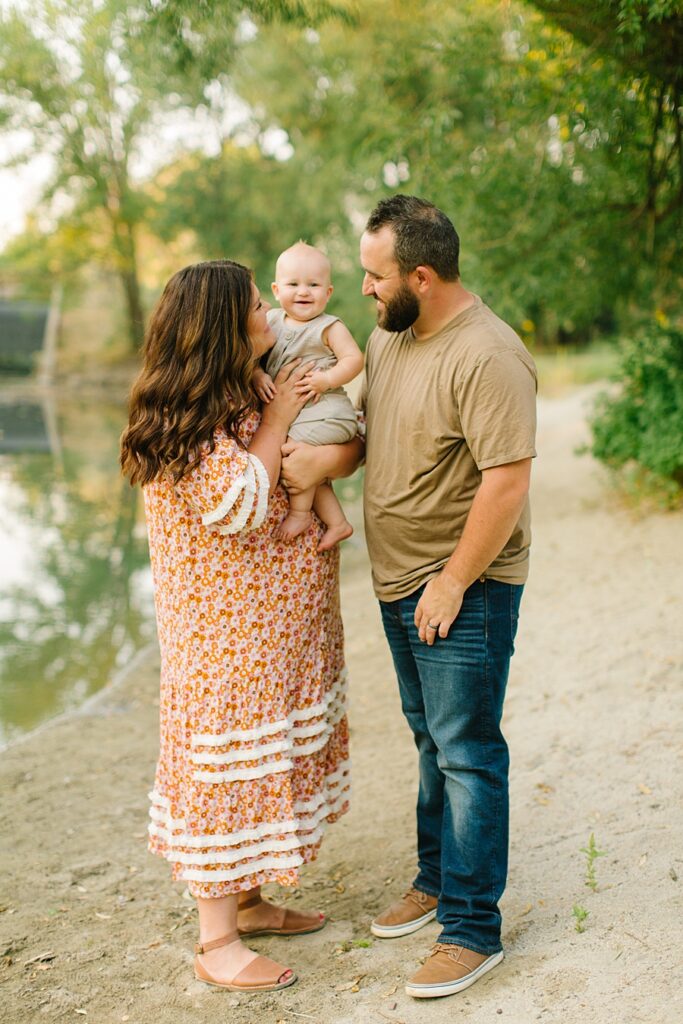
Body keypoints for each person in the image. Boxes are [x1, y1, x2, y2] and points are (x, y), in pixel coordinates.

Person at [119, 260, 360, 994]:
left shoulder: (249, 384)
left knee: (267, 768)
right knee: (225, 776)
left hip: (277, 635)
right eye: (258, 305)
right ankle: (216, 939)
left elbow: (333, 452)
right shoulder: (183, 418)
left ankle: (250, 904)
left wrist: (313, 438)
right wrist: (285, 421)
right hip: (227, 646)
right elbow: (240, 505)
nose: (272, 313)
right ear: (225, 326)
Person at [359, 195, 537, 999]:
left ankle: (471, 928)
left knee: (466, 751)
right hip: (399, 580)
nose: (365, 288)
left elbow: (505, 482)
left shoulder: (487, 354)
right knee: (429, 738)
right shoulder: (391, 336)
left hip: (461, 587)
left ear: (420, 277)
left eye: (375, 275)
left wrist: (454, 579)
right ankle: (434, 880)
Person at [253, 242, 364, 551]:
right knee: (310, 468)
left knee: (291, 452)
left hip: (328, 411)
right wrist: (258, 375)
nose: (303, 292)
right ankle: (338, 523)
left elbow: (354, 360)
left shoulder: (328, 327)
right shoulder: (272, 321)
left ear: (328, 293)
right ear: (276, 289)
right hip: (304, 414)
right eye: (293, 284)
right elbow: (252, 358)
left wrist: (325, 380)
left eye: (313, 285)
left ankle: (300, 513)